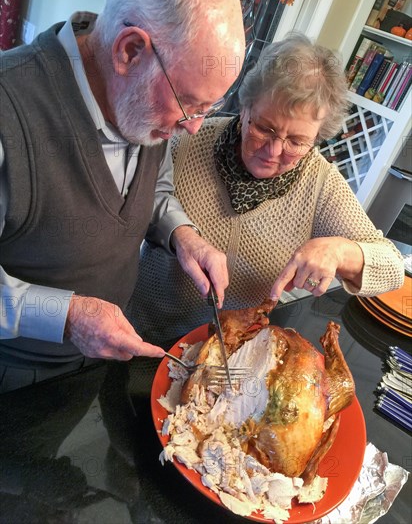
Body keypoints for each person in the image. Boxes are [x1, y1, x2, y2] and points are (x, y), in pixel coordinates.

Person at [0, 0, 246, 392]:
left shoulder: (143, 102)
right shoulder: (10, 109)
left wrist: (183, 235)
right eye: (189, 103)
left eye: (210, 107)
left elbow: (153, 188)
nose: (194, 127)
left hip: (95, 364)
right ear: (130, 51)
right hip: (17, 382)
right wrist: (68, 316)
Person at [130, 32, 405, 346]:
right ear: (245, 107)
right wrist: (179, 235)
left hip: (230, 355)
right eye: (264, 128)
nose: (273, 151)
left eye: (297, 142)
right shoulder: (187, 141)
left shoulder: (321, 183)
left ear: (318, 137)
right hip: (143, 333)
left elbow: (393, 268)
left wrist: (340, 251)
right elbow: (137, 202)